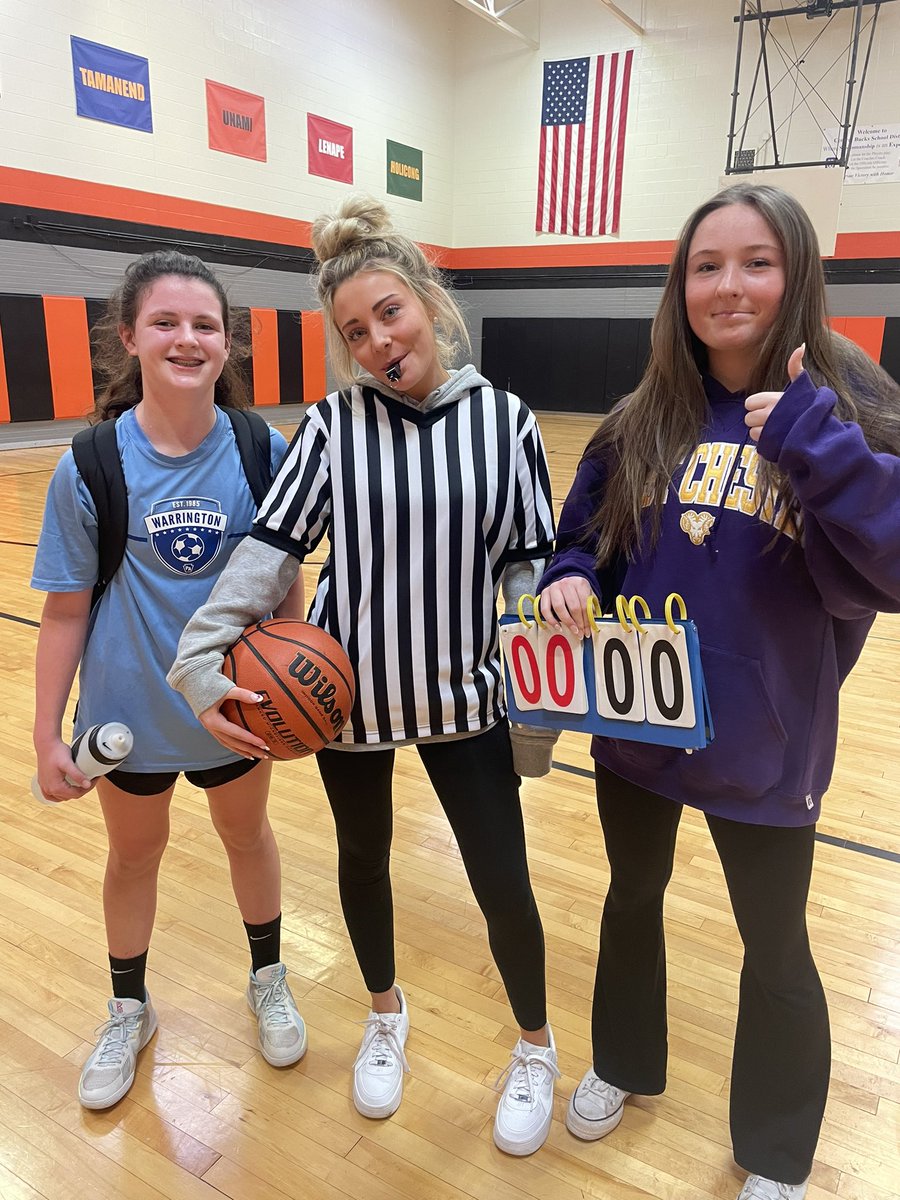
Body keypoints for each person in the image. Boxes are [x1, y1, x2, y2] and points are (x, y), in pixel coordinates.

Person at [167, 196, 560, 1156]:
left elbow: (528, 565)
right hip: (347, 703)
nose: (379, 340)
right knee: (361, 863)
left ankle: (536, 1045)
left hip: (466, 701)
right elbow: (270, 550)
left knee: (502, 877)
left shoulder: (505, 422)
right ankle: (385, 1015)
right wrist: (197, 656)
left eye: (390, 312)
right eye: (356, 330)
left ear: (428, 300)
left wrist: (543, 676)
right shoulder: (334, 427)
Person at [537, 183, 900, 1200]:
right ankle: (623, 1059)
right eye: (706, 265)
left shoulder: (850, 405)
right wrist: (570, 572)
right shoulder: (638, 418)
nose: (728, 284)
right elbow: (585, 535)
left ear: (797, 276)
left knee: (775, 945)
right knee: (631, 897)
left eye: (756, 262)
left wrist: (816, 443)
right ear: (678, 287)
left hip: (767, 737)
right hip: (636, 724)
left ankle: (777, 1155)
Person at [31, 250, 308, 1111]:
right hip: (129, 714)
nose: (187, 339)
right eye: (166, 322)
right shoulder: (90, 464)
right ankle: (128, 1006)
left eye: (204, 325)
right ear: (130, 338)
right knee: (134, 855)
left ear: (228, 345)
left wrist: (295, 690)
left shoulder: (266, 450)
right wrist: (44, 735)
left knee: (247, 837)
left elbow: (285, 587)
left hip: (234, 712)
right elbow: (66, 612)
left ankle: (267, 976)